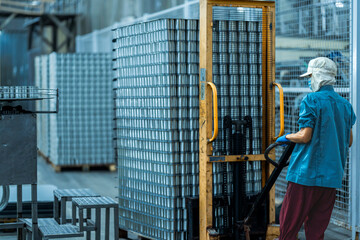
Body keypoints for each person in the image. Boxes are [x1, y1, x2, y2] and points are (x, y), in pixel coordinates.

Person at [275, 57, 356, 240]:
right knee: (316, 232)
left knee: (288, 228)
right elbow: (349, 141)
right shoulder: (346, 105)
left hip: (305, 176)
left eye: (310, 76)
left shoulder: (311, 100)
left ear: (318, 76)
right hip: (332, 178)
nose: (309, 81)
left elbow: (305, 136)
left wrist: (286, 137)